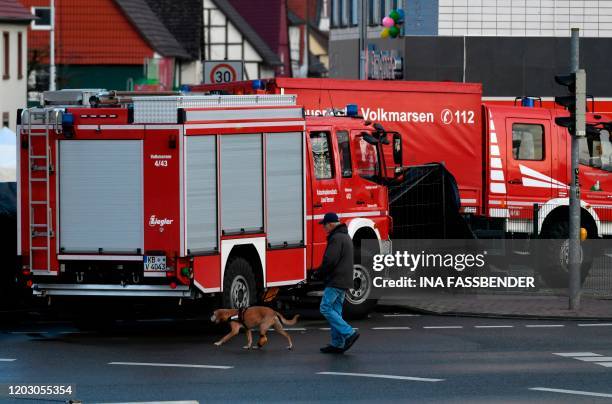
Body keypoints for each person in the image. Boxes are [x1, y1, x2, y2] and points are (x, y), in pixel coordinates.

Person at [316, 212, 360, 353]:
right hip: (345, 280)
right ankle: (337, 343)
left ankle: (349, 333)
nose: (324, 228)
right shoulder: (345, 236)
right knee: (335, 311)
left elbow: (330, 260)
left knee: (325, 308)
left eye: (324, 225)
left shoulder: (336, 238)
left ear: (330, 224)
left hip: (336, 280)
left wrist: (319, 273)